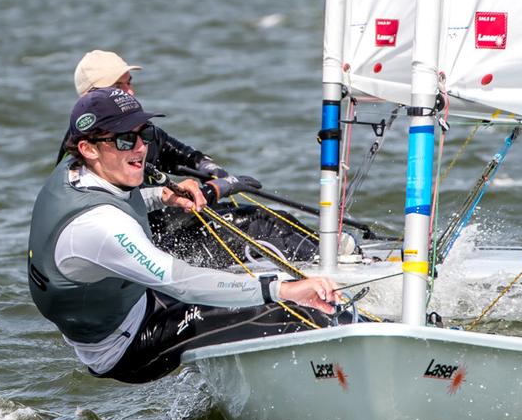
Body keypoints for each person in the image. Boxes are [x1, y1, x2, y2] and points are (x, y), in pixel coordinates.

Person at [28, 87, 343, 383]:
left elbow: (118, 201)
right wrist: (284, 290)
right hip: (127, 345)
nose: (140, 148)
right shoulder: (99, 225)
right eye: (124, 140)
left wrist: (162, 195)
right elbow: (181, 282)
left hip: (135, 298)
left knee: (250, 273)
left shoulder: (76, 170)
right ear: (88, 149)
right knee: (281, 305)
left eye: (144, 134)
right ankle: (341, 371)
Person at [61, 49, 333, 267]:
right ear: (89, 97)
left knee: (269, 216)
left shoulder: (143, 132)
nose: (129, 93)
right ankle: (326, 274)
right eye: (118, 87)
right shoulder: (88, 151)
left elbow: (182, 154)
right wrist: (214, 191)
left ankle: (331, 255)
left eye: (129, 84)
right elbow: (119, 205)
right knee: (256, 223)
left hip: (173, 227)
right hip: (149, 252)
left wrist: (213, 171)